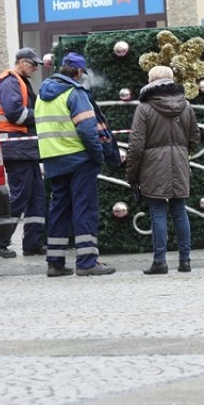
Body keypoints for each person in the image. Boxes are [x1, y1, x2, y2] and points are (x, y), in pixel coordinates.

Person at [36, 52, 115, 277]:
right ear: (79, 72)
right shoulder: (75, 92)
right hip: (79, 158)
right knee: (84, 208)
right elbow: (88, 130)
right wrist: (98, 155)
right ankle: (87, 261)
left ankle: (55, 262)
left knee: (59, 209)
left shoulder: (42, 94)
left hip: (53, 159)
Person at [126, 65, 200, 274]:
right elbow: (195, 137)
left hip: (152, 166)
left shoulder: (144, 108)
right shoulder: (186, 105)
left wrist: (132, 174)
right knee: (179, 210)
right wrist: (182, 153)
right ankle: (185, 260)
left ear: (151, 81)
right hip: (179, 163)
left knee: (157, 212)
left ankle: (160, 260)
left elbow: (137, 144)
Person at [0, 47, 47, 258]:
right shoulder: (10, 82)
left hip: (25, 148)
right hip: (16, 148)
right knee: (21, 195)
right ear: (21, 62)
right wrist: (41, 116)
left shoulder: (19, 82)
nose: (34, 68)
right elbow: (15, 113)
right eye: (32, 64)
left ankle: (33, 243)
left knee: (36, 196)